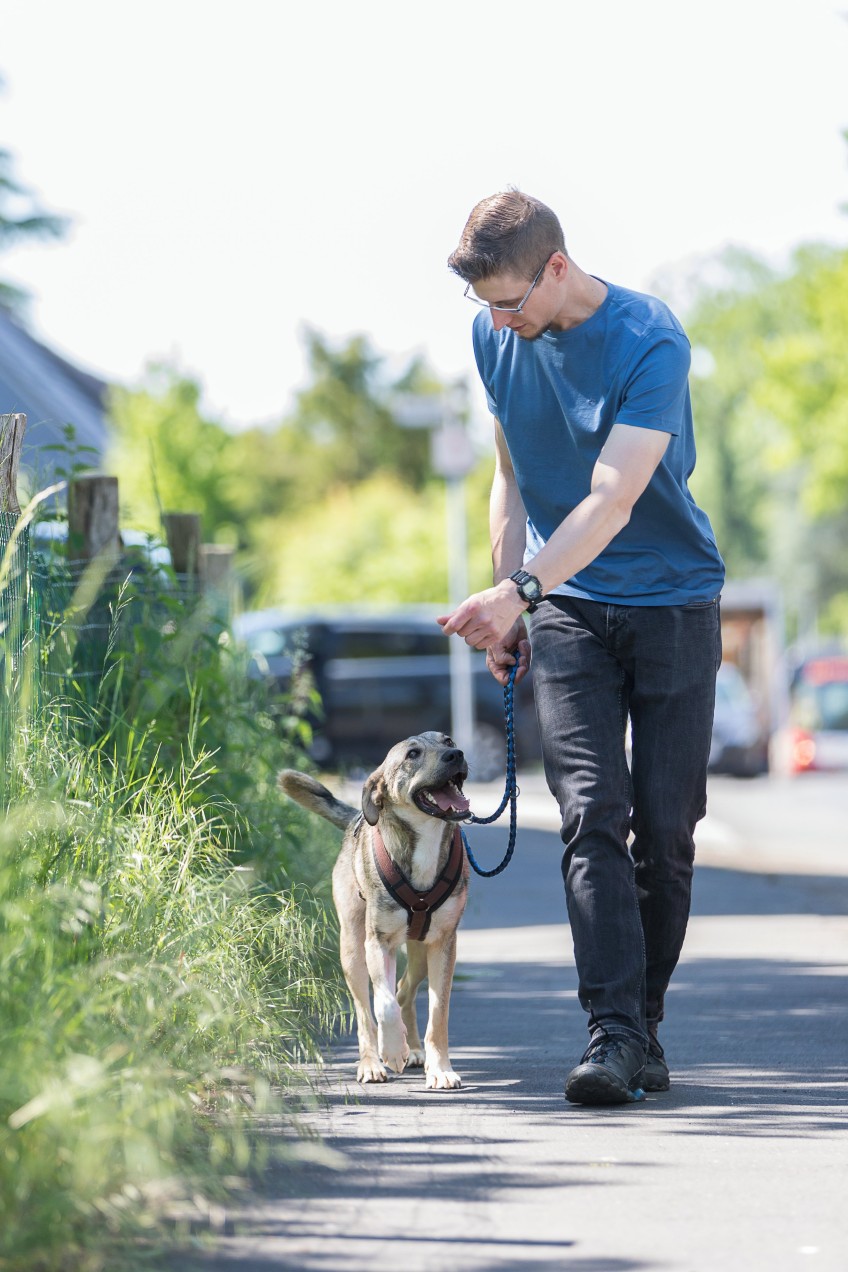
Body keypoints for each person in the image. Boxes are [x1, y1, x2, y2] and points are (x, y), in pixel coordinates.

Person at [438, 189, 724, 1106]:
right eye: (485, 305)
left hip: (675, 600)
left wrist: (519, 587)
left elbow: (612, 497)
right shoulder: (495, 337)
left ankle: (644, 1021)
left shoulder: (650, 339)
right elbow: (510, 477)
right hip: (565, 609)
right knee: (590, 814)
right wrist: (511, 602)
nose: (499, 321)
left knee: (666, 834)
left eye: (511, 301)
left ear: (556, 267)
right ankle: (611, 1036)